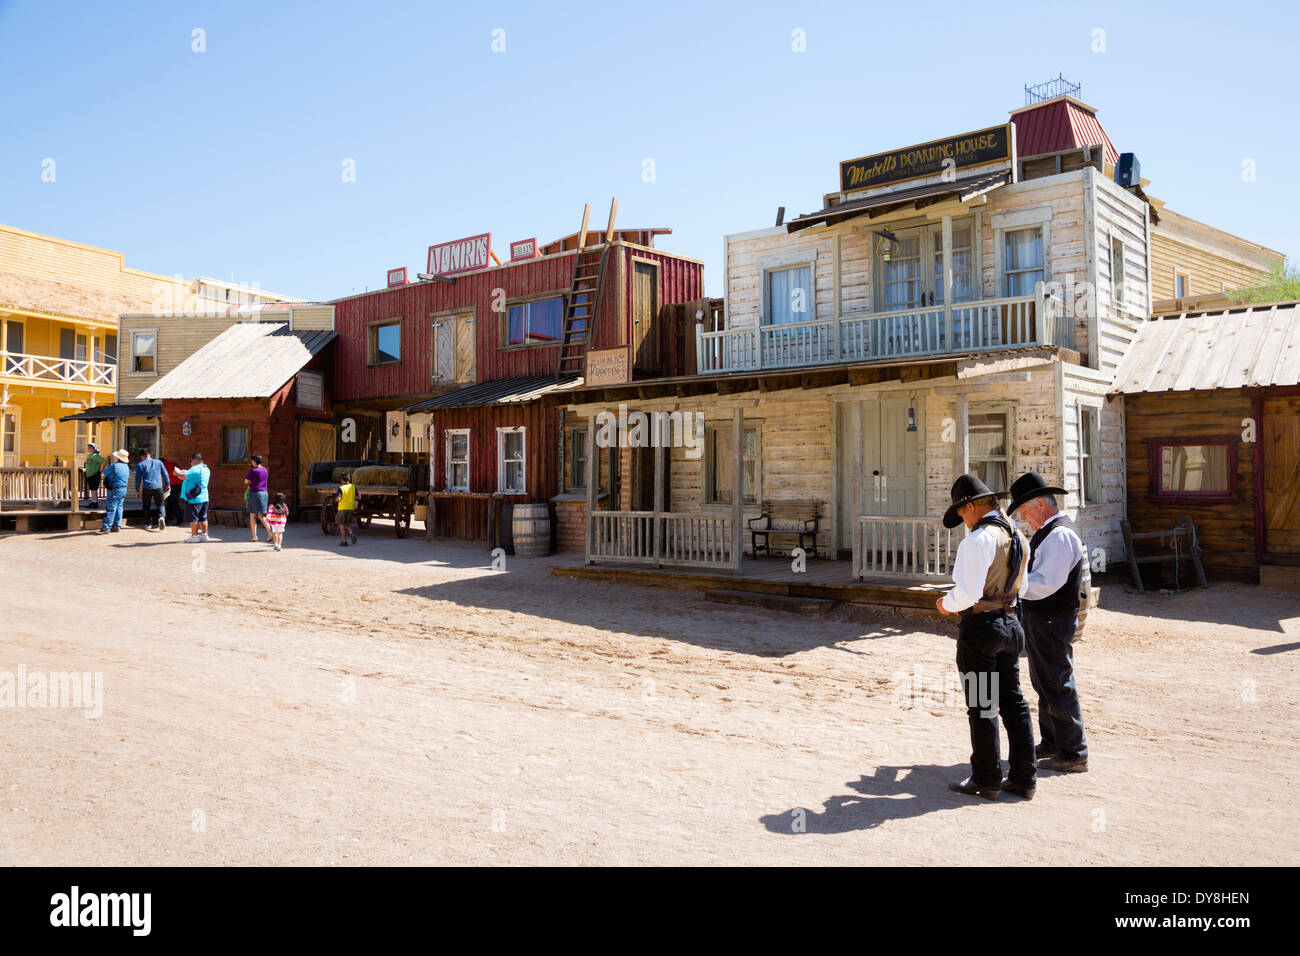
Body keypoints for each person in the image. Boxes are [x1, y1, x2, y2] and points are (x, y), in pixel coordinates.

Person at [936, 474, 1036, 801]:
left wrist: (945, 604)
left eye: (962, 514)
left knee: (982, 705)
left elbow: (968, 592)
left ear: (971, 507)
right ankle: (1024, 777)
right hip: (1011, 624)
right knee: (1014, 703)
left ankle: (987, 777)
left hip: (982, 629)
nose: (963, 521)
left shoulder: (979, 540)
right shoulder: (1019, 536)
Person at [1007, 471, 1090, 774]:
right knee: (1044, 681)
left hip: (1052, 617)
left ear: (1040, 504)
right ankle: (1054, 741)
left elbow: (1046, 583)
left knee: (1056, 682)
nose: (1025, 518)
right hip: (1046, 617)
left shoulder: (1059, 535)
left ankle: (1073, 751)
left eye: (1025, 511)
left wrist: (1014, 584)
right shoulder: (1051, 532)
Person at [134, 448, 170, 531]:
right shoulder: (159, 462)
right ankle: (161, 517)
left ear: (142, 456)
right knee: (160, 504)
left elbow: (137, 479)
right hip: (158, 487)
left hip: (147, 487)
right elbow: (165, 474)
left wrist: (137, 490)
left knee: (146, 506)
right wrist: (168, 484)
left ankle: (148, 524)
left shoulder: (140, 465)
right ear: (149, 454)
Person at [97, 449, 131, 534]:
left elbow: (103, 474)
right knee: (119, 507)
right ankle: (116, 526)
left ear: (117, 458)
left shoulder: (114, 466)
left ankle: (106, 528)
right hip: (123, 489)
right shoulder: (126, 467)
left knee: (111, 508)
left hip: (115, 489)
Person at [181, 453, 212, 543]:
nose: (190, 463)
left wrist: (177, 473)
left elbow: (183, 477)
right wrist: (186, 471)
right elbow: (196, 476)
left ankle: (194, 536)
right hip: (205, 497)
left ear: (195, 460)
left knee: (193, 518)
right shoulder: (206, 469)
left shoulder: (195, 469)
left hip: (194, 498)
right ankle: (204, 535)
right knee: (203, 517)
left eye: (191, 461)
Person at [244, 453, 271, 542]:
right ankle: (270, 532)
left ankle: (254, 536)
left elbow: (246, 481)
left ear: (254, 461)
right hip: (264, 493)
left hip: (255, 493)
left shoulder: (253, 471)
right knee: (261, 515)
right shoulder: (265, 470)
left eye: (252, 460)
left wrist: (249, 485)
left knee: (253, 515)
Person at [336, 472, 358, 546]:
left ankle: (344, 541)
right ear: (349, 479)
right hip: (350, 508)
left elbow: (339, 499)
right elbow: (357, 497)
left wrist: (336, 499)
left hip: (342, 508)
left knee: (341, 524)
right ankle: (351, 532)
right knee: (348, 523)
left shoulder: (341, 488)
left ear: (341, 480)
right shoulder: (353, 487)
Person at [162, 455, 185, 527]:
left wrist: (164, 488)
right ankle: (169, 518)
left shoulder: (163, 465)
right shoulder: (173, 464)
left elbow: (163, 478)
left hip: (174, 485)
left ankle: (179, 519)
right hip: (180, 484)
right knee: (170, 501)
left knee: (173, 501)